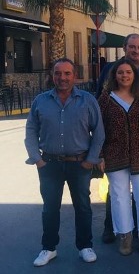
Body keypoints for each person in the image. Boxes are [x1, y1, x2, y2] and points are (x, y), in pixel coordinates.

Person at [25, 58, 105, 267]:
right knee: (50, 208)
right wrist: (37, 159)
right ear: (52, 76)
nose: (62, 78)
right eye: (58, 73)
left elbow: (99, 132)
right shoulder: (40, 101)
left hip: (80, 164)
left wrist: (91, 160)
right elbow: (31, 130)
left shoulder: (88, 101)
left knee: (83, 207)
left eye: (67, 73)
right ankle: (49, 248)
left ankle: (85, 246)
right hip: (49, 164)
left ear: (75, 76)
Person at [96, 33, 139, 244]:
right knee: (118, 195)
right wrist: (100, 154)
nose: (136, 51)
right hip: (115, 153)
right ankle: (122, 234)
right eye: (132, 47)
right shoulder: (106, 97)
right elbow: (98, 124)